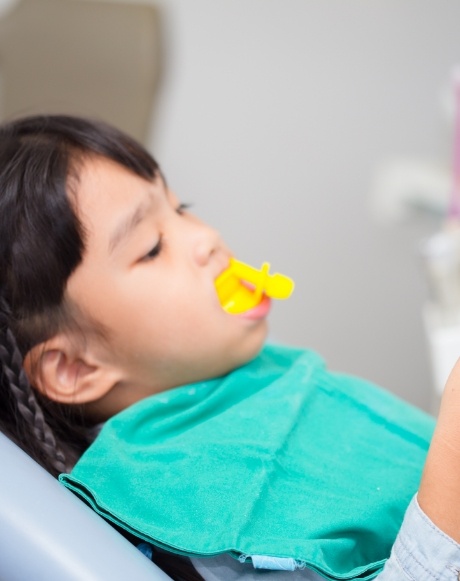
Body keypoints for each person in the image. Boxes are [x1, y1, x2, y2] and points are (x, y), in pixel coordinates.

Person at [0, 115, 459, 581]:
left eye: (182, 209)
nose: (206, 238)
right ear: (75, 368)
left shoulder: (237, 374)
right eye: (153, 247)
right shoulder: (184, 508)